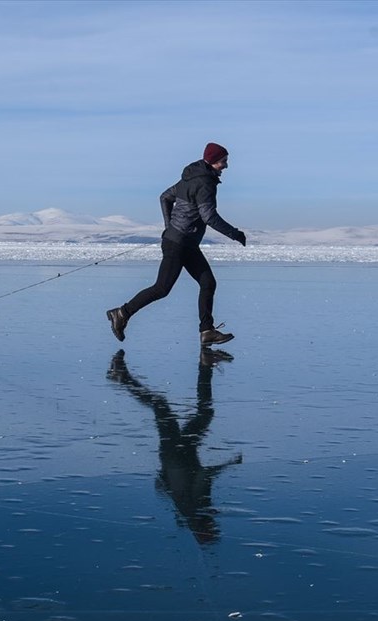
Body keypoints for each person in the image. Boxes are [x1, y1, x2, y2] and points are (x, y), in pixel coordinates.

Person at [107, 142, 247, 347]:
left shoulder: (189, 178)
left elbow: (165, 197)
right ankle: (121, 313)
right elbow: (208, 217)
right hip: (178, 243)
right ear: (213, 161)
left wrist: (169, 225)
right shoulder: (204, 183)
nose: (226, 166)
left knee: (208, 282)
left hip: (185, 242)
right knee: (162, 288)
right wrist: (234, 233)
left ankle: (206, 331)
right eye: (223, 161)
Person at [107, 348, 242, 545]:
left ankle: (122, 377)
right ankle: (206, 364)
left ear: (202, 530)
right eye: (214, 528)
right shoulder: (189, 513)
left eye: (211, 529)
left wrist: (228, 464)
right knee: (196, 412)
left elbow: (203, 478)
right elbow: (167, 487)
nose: (214, 525)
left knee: (165, 407)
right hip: (180, 455)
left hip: (177, 455)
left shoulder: (194, 510)